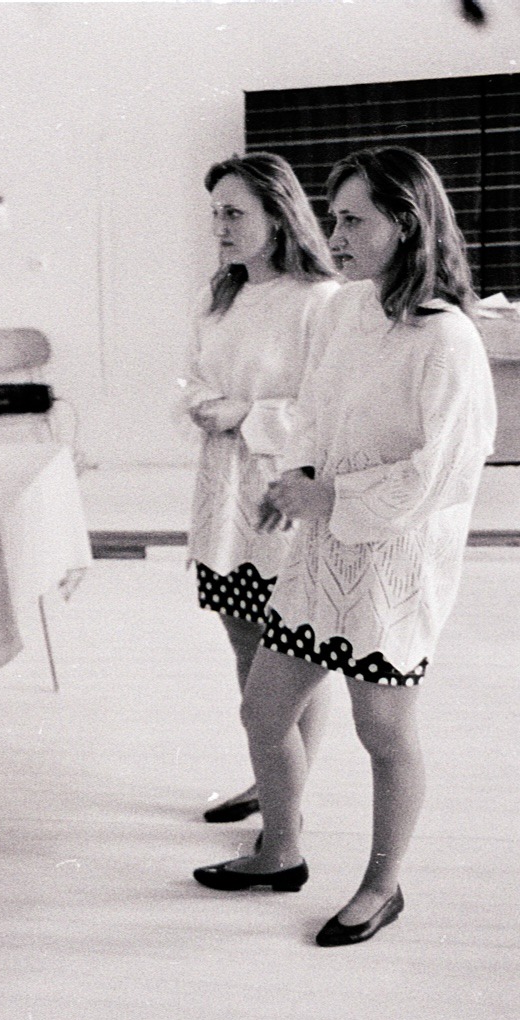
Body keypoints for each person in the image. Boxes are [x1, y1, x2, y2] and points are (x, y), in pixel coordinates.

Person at [193, 147, 497, 947]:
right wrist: (291, 478)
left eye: (353, 219)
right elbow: (315, 414)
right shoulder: (347, 310)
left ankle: (380, 886)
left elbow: (446, 474)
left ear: (405, 223)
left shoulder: (448, 337)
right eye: (334, 217)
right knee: (264, 709)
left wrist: (331, 495)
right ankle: (281, 851)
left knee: (384, 733)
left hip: (393, 566)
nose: (338, 233)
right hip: (322, 553)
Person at [183, 154, 341, 824]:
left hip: (283, 494)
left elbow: (328, 406)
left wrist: (246, 414)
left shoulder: (320, 301)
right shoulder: (218, 294)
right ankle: (271, 780)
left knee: (292, 661)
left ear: (277, 216)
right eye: (215, 211)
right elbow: (190, 376)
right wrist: (201, 402)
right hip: (224, 493)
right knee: (245, 649)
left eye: (233, 212)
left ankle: (288, 805)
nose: (218, 224)